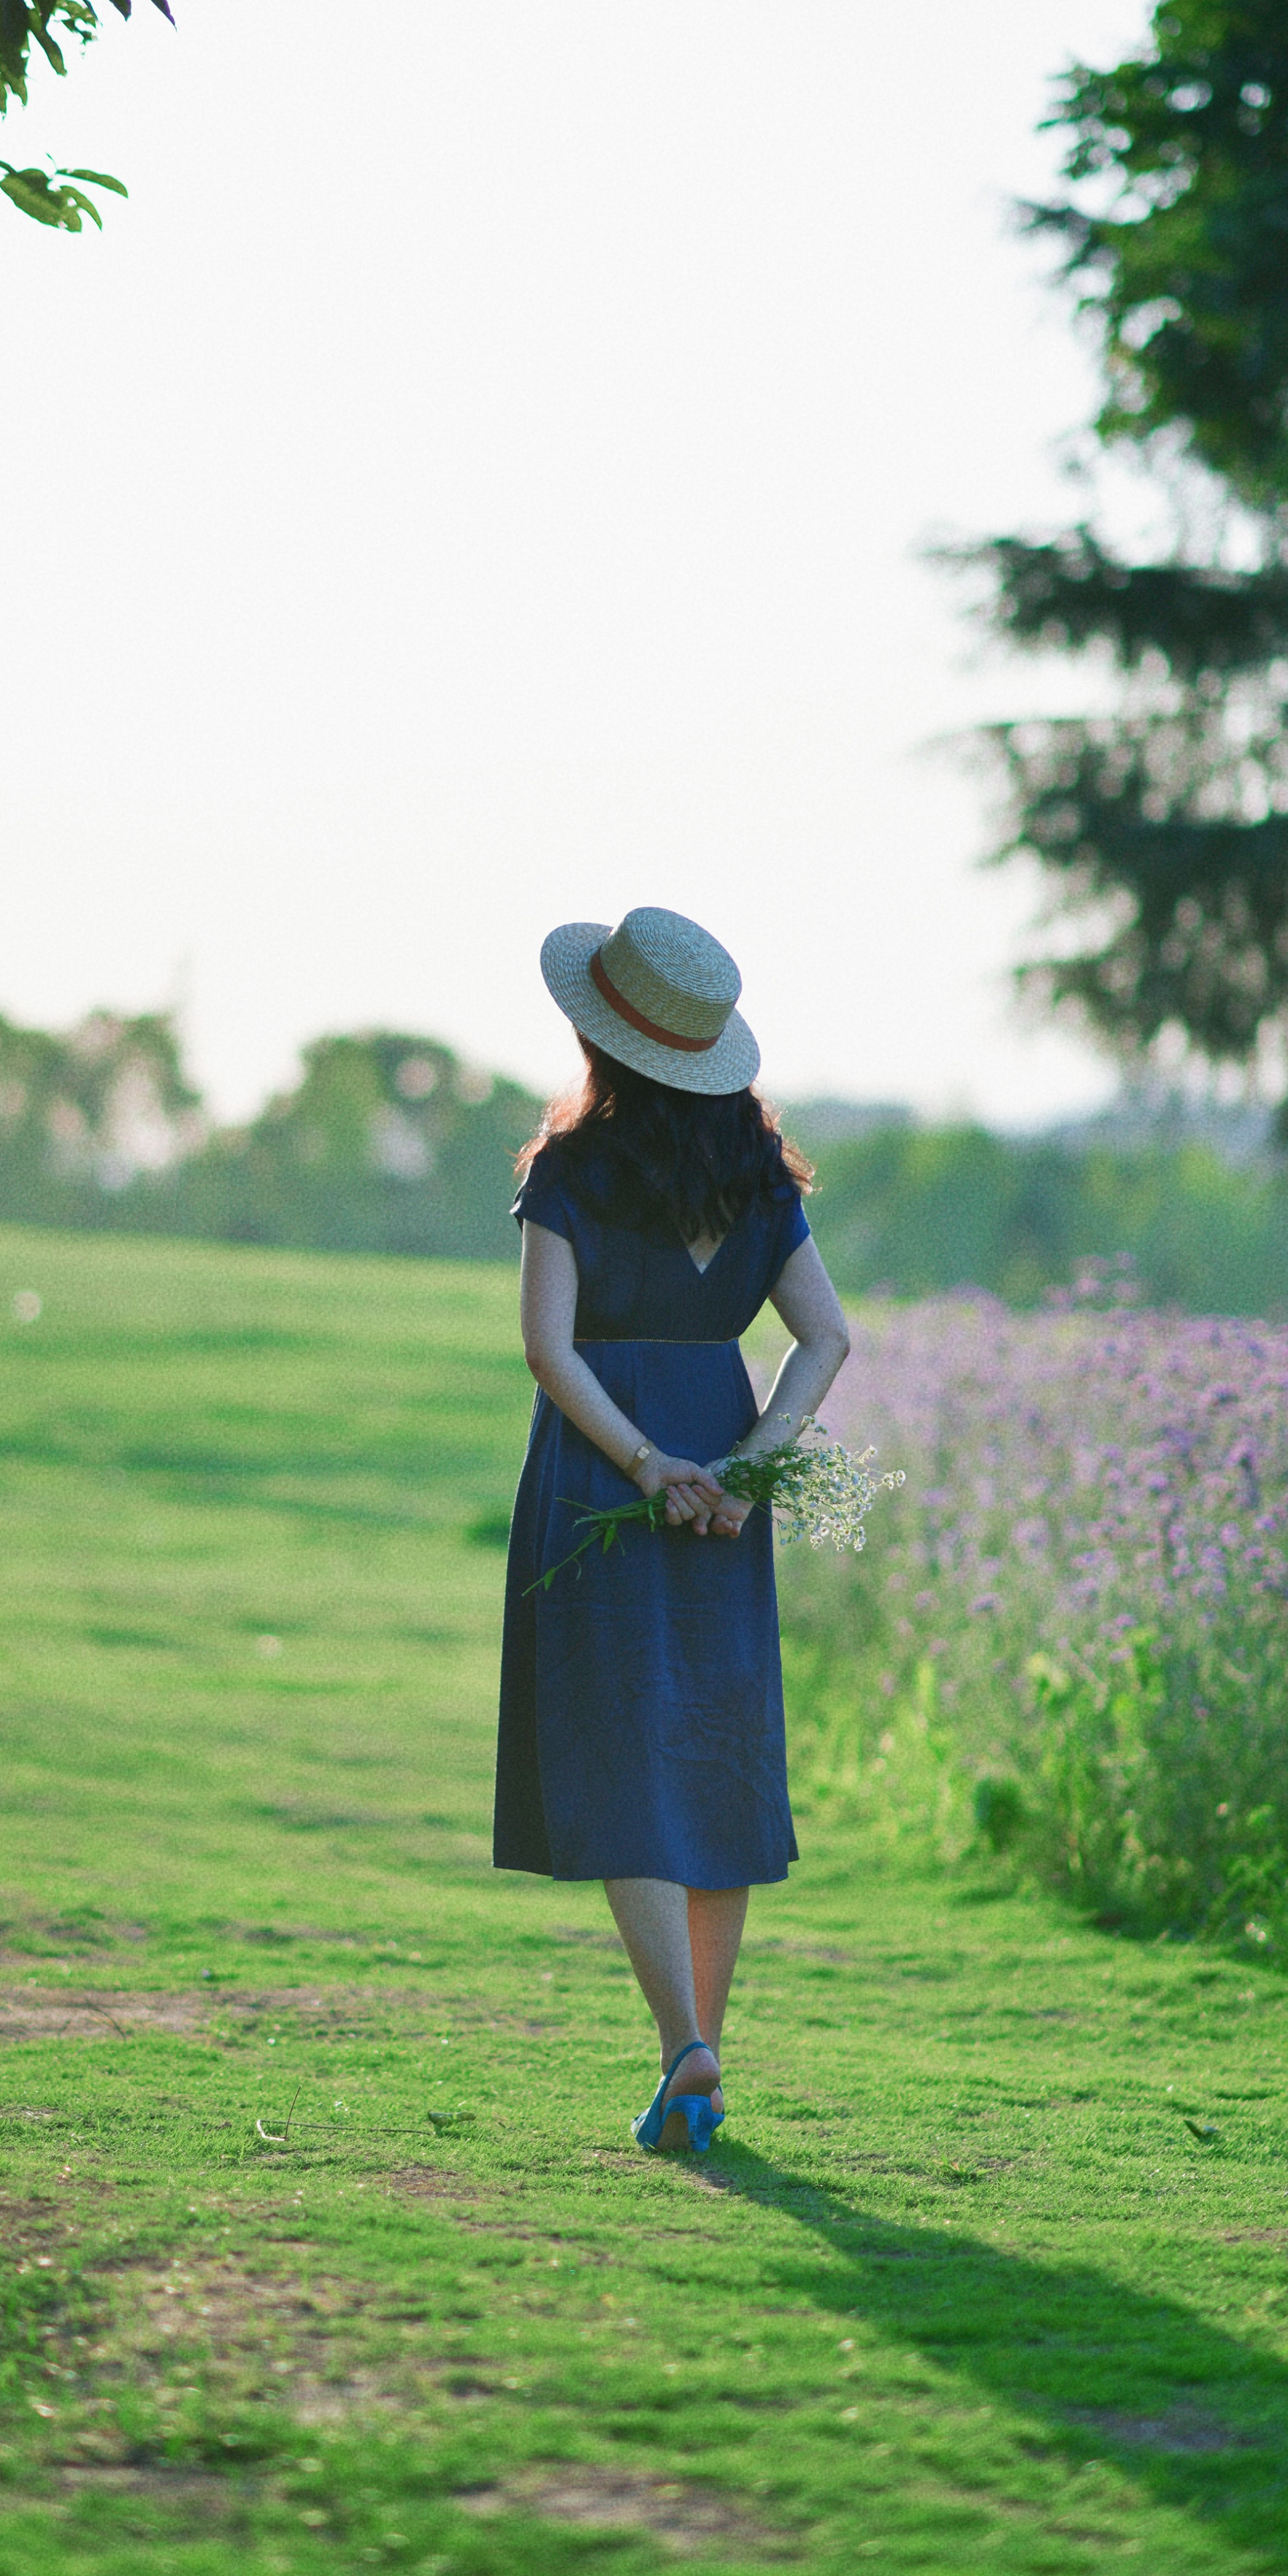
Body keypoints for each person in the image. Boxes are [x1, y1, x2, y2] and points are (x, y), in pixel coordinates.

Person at [495, 906, 851, 2154]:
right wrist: (750, 1468)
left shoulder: (572, 1169)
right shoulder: (761, 1174)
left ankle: (682, 2048)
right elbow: (827, 1337)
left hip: (607, 1467)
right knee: (711, 1753)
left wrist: (649, 1464)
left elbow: (549, 1349)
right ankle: (703, 2049)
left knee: (617, 1755)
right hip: (724, 1463)